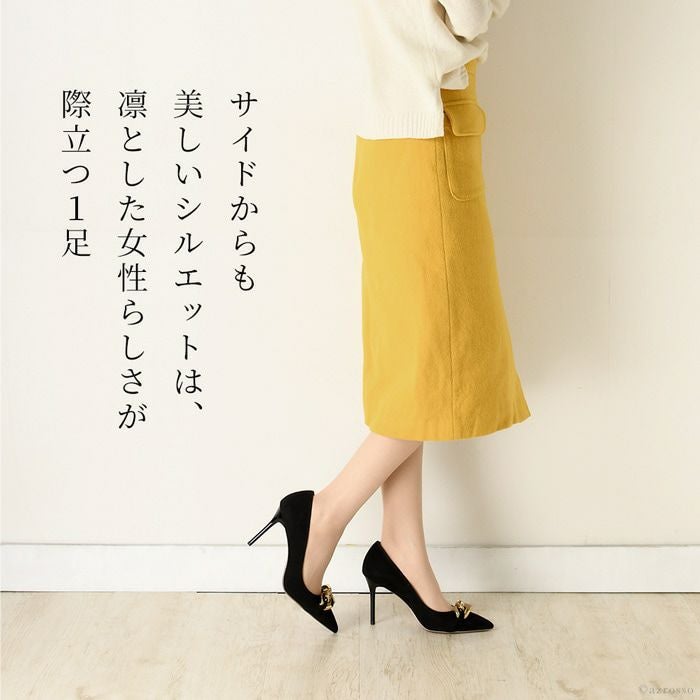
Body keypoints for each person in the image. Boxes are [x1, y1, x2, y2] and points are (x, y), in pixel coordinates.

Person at [248, 0, 530, 634]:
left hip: (392, 139)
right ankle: (323, 514)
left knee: (415, 366)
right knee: (446, 368)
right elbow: (469, 13)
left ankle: (402, 545)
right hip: (428, 135)